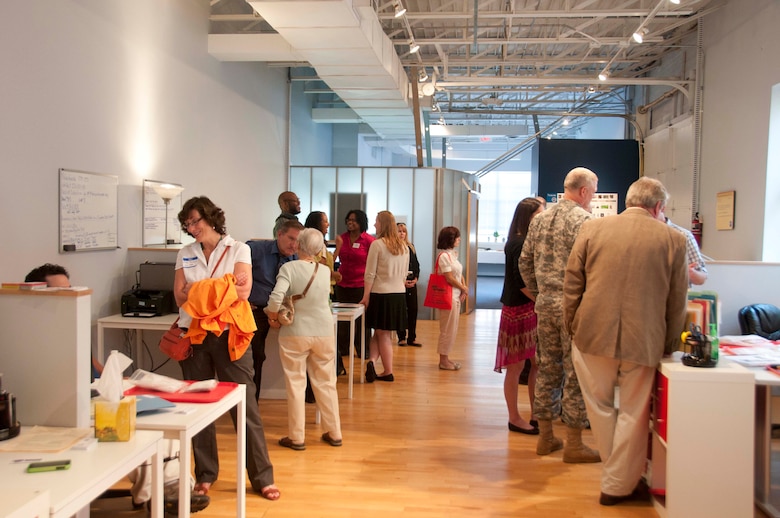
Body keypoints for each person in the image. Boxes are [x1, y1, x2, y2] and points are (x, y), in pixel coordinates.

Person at [25, 264, 210, 514]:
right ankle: (156, 496)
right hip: (71, 405)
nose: (68, 297)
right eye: (59, 292)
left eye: (70, 290)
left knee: (167, 426)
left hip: (97, 392)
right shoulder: (30, 334)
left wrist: (118, 379)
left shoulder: (70, 324)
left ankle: (174, 489)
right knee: (142, 433)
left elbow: (91, 364)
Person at [563, 177, 688, 505]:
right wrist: (671, 342)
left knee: (600, 408)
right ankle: (618, 483)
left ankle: (617, 479)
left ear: (629, 201)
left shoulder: (593, 229)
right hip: (643, 339)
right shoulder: (674, 239)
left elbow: (572, 281)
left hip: (591, 333)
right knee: (634, 411)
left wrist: (572, 323)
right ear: (659, 207)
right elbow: (678, 300)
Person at [174, 196, 280, 501]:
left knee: (244, 406)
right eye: (187, 223)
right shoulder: (186, 253)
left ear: (211, 218)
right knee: (198, 407)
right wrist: (221, 287)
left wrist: (197, 291)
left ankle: (262, 477)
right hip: (193, 335)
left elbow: (243, 292)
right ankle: (205, 473)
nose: (192, 228)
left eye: (196, 221)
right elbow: (179, 298)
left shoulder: (238, 249)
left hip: (229, 334)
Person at [519, 166, 601, 463]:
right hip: (574, 309)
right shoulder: (585, 221)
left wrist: (540, 293)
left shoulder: (540, 220)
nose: (592, 197)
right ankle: (575, 444)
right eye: (593, 191)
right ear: (583, 191)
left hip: (546, 307)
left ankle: (545, 437)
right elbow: (594, 267)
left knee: (547, 370)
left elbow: (524, 261)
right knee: (576, 372)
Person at [266, 228, 343, 450]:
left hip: (295, 333)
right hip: (324, 331)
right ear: (320, 250)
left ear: (298, 245)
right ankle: (334, 432)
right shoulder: (324, 270)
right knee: (327, 383)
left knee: (296, 384)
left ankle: (297, 437)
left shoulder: (288, 268)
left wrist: (273, 316)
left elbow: (274, 300)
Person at [495, 198, 544, 435]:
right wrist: (540, 300)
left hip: (527, 307)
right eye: (538, 214)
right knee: (516, 367)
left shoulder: (523, 240)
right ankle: (514, 417)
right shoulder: (518, 243)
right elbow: (520, 281)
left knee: (535, 363)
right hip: (519, 308)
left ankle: (535, 413)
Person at [247, 220, 303, 400]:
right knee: (255, 353)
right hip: (256, 309)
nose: (294, 245)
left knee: (306, 346)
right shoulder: (255, 250)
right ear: (279, 234)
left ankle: (307, 397)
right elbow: (232, 272)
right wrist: (239, 300)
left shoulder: (297, 259)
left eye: (298, 241)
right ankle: (251, 402)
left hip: (285, 311)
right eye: (291, 239)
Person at [360, 211, 409, 382]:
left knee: (383, 334)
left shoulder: (377, 245)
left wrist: (366, 296)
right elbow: (404, 275)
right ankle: (372, 362)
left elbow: (370, 274)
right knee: (379, 333)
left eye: (376, 221)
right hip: (398, 294)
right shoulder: (404, 246)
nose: (374, 225)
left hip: (380, 294)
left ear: (383, 224)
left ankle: (388, 371)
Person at [333, 209, 374, 359]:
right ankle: (343, 349)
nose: (350, 223)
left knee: (361, 321)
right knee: (343, 320)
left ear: (361, 222)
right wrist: (338, 247)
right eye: (348, 220)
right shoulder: (342, 238)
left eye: (354, 220)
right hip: (343, 284)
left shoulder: (369, 241)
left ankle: (363, 349)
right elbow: (333, 259)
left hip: (361, 285)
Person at [434, 226, 469, 371]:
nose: (459, 239)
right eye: (457, 237)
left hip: (454, 296)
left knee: (452, 329)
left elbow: (458, 274)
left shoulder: (451, 255)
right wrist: (463, 288)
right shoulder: (443, 256)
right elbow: (448, 278)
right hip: (448, 297)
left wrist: (463, 286)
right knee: (447, 329)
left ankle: (446, 357)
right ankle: (443, 360)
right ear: (450, 239)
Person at [396, 222, 421, 347]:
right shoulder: (394, 247)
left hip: (412, 281)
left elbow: (416, 265)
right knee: (401, 311)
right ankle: (401, 337)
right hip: (400, 283)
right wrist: (402, 281)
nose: (402, 234)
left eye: (404, 231)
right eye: (399, 231)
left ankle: (412, 337)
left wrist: (416, 278)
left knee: (413, 309)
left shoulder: (411, 247)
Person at [666, 217, 708, 285]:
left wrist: (688, 272)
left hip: (675, 293)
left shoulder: (683, 235)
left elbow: (701, 278)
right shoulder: (643, 233)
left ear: (660, 209)